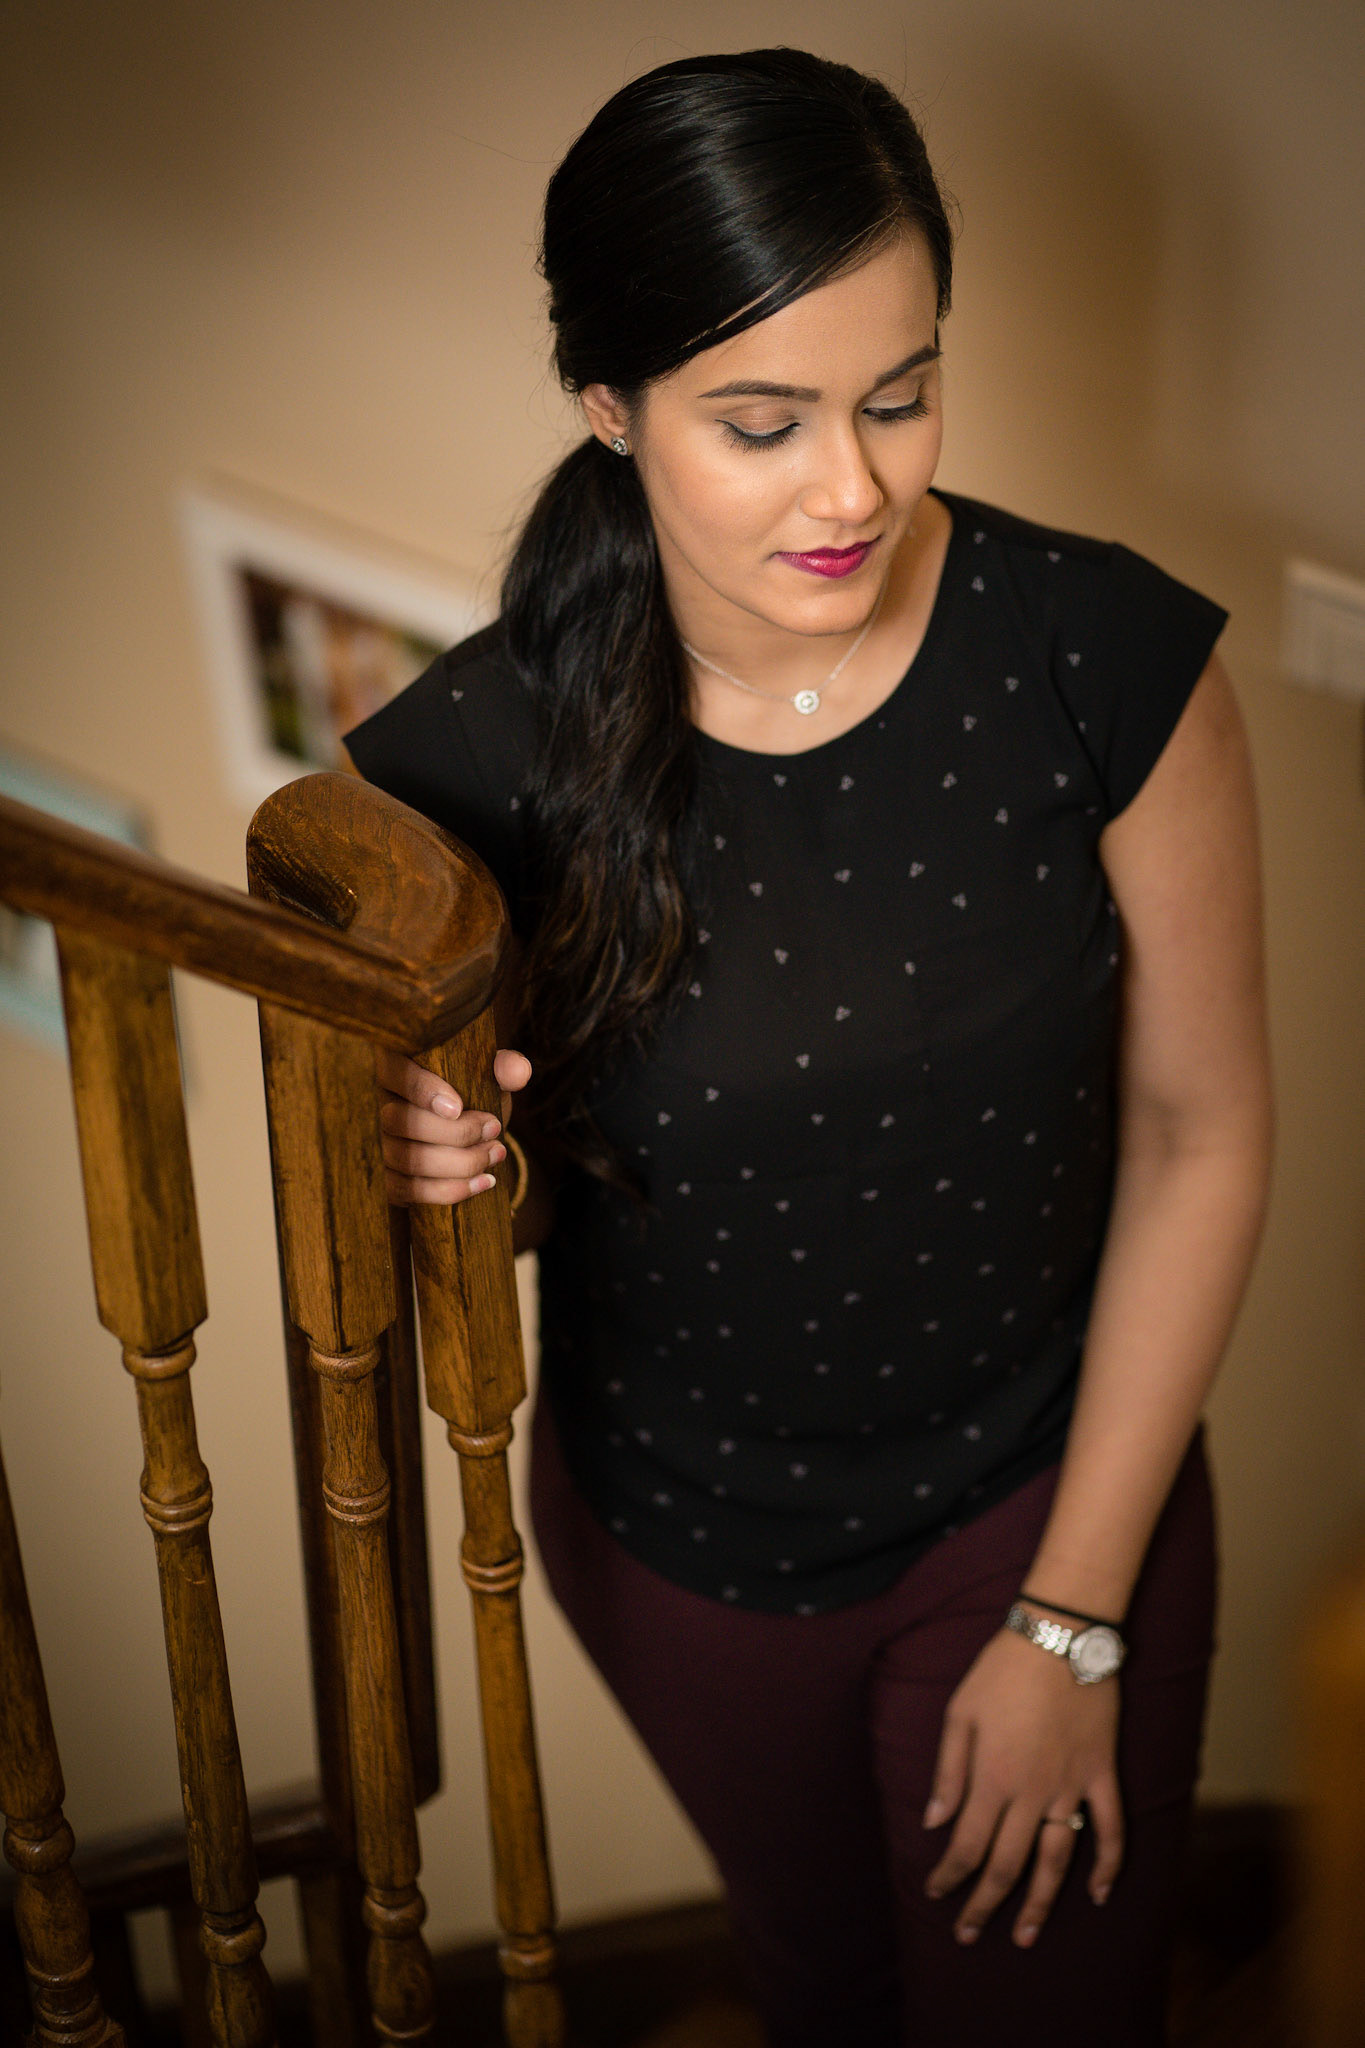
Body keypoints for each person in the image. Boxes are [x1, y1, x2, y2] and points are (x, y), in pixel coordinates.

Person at [343, 47, 1272, 2048]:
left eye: (899, 396)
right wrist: (447, 1164)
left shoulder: (1102, 662)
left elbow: (1199, 1133)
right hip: (676, 1556)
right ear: (609, 405)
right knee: (820, 1993)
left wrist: (1067, 1617)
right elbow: (495, 1219)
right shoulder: (468, 763)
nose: (849, 488)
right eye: (760, 423)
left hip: (1044, 1503)